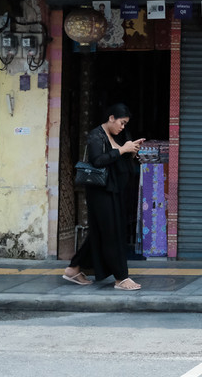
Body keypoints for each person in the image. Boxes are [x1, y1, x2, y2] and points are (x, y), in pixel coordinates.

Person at [63, 103, 145, 291]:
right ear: (111, 118)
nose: (123, 127)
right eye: (121, 123)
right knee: (110, 233)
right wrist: (122, 150)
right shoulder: (95, 135)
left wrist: (131, 150)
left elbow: (116, 159)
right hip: (100, 193)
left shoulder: (119, 135)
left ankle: (73, 268)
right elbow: (97, 160)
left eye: (125, 124)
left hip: (114, 191)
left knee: (102, 233)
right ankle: (121, 278)